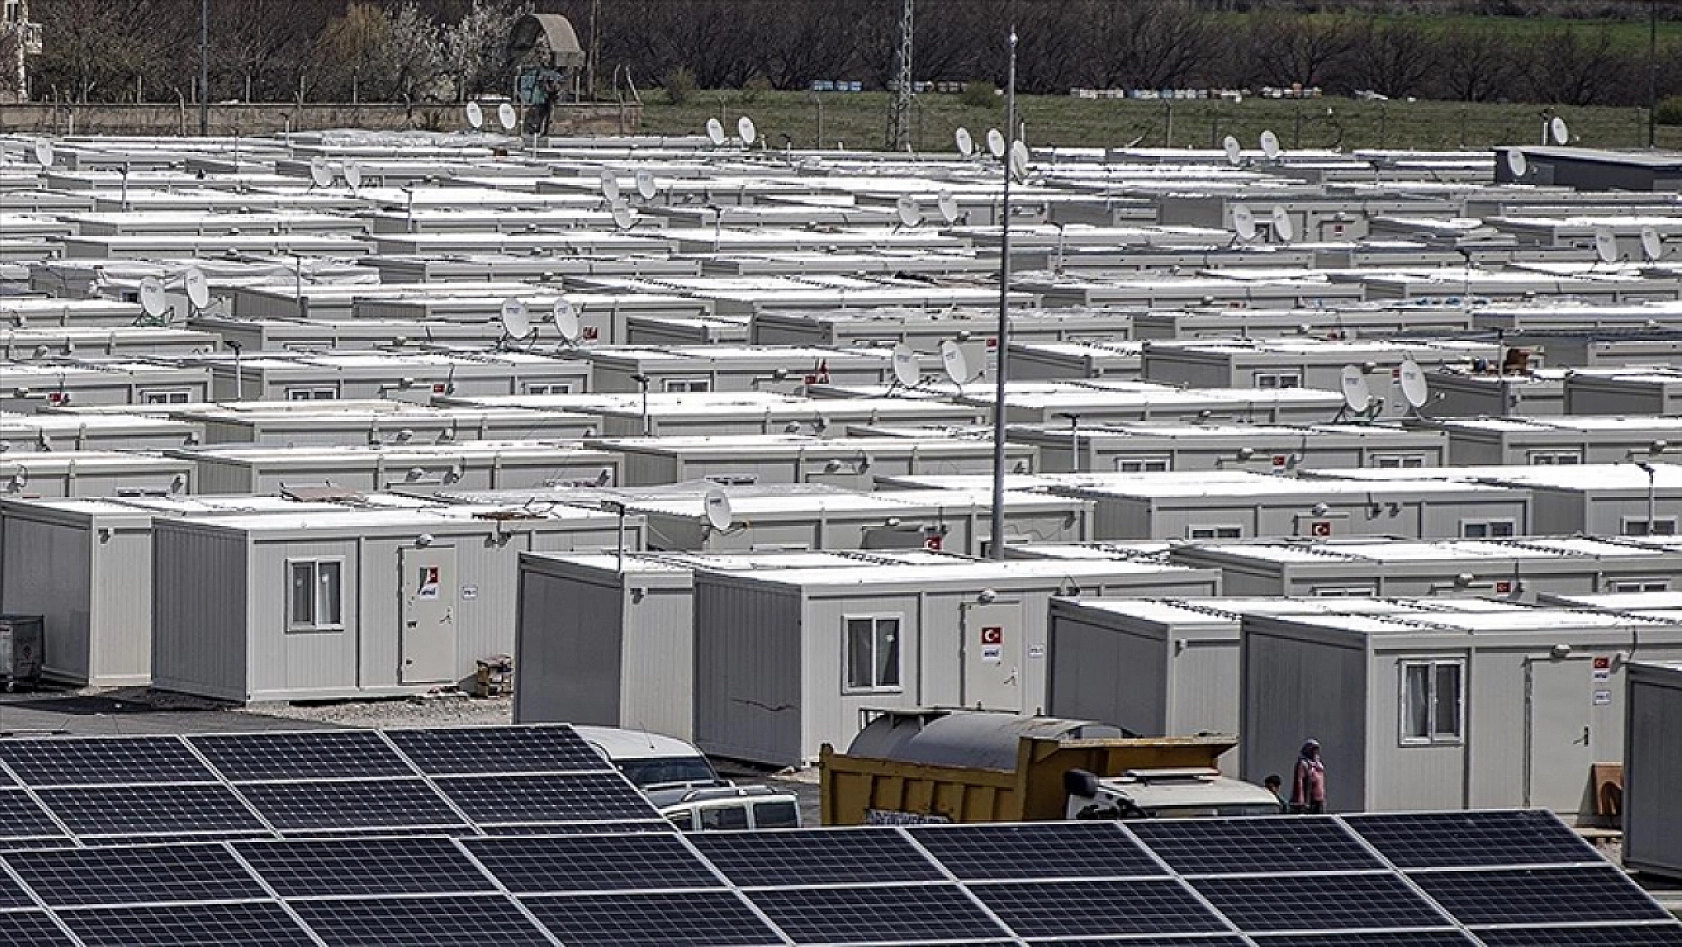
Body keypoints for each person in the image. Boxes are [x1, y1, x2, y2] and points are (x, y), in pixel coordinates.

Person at [1291, 739, 1326, 814]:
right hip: (1309, 800)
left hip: (1319, 799)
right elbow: (1299, 781)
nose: (1315, 752)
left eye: (1316, 749)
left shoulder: (1318, 764)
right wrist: (1301, 799)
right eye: (1313, 749)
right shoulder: (1303, 763)